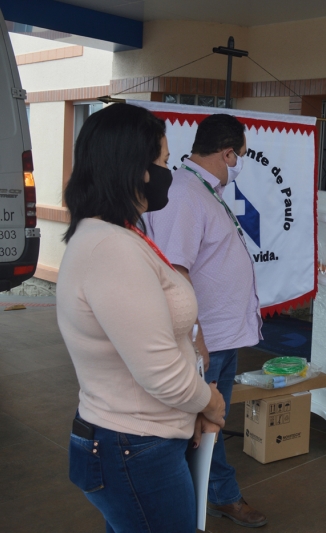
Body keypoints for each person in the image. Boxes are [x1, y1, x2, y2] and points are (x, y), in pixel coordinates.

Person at [57, 103, 227, 533]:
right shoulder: (110, 249)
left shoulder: (116, 235)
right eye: (165, 162)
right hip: (133, 446)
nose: (169, 173)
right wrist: (209, 400)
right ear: (137, 169)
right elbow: (159, 371)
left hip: (142, 441)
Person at [145, 114, 267, 528]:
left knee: (210, 423)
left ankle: (214, 495)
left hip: (222, 336)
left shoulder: (203, 190)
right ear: (228, 152)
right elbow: (173, 272)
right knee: (194, 427)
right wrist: (195, 336)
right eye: (241, 156)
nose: (241, 164)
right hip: (204, 340)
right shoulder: (182, 194)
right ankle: (197, 502)